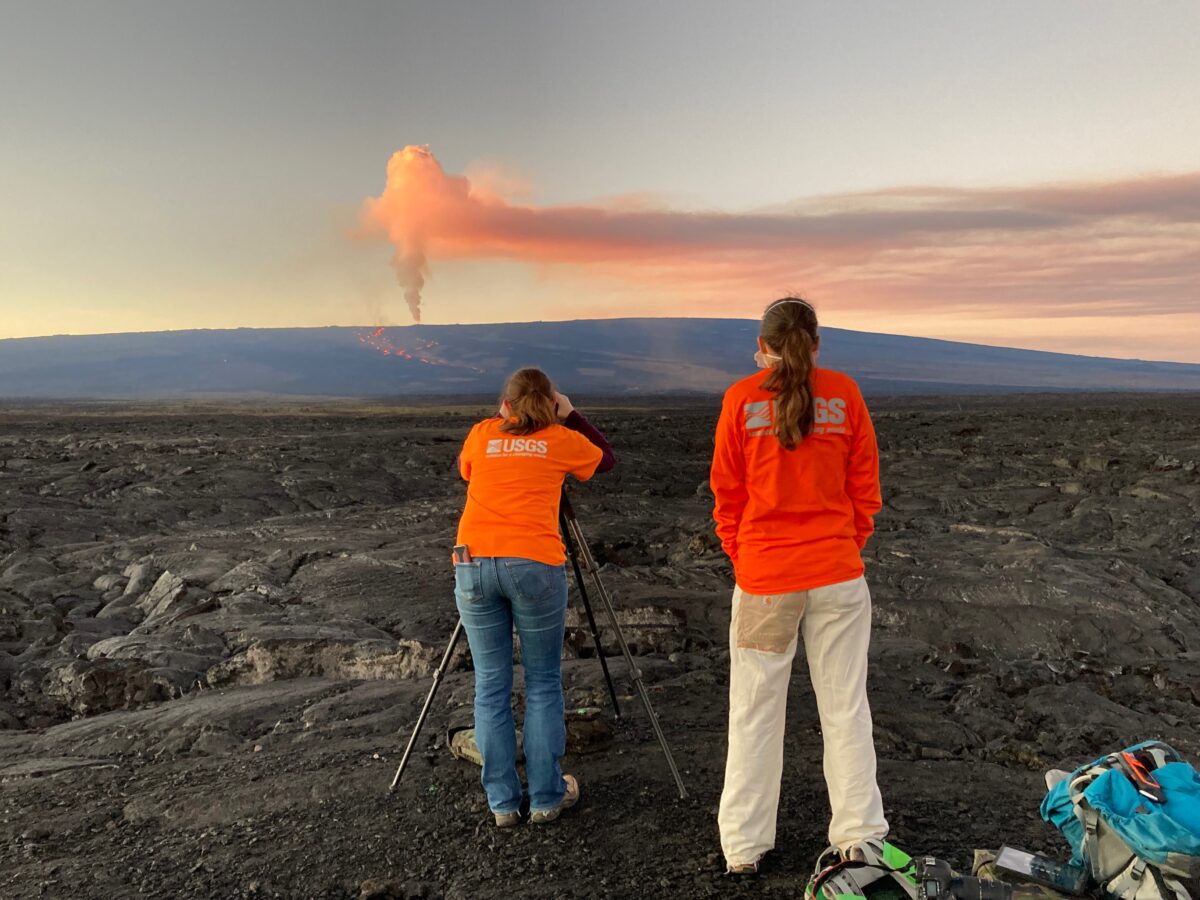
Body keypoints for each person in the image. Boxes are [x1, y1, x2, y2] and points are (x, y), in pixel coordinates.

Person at [710, 297, 887, 874]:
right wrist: (844, 544)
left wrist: (747, 559)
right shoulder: (846, 394)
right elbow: (865, 486)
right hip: (837, 576)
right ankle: (860, 837)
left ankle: (744, 846)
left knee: (755, 712)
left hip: (766, 581)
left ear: (763, 346)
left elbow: (727, 494)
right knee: (845, 707)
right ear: (815, 344)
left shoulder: (741, 400)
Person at [453, 367, 615, 827]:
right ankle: (545, 797)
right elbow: (605, 459)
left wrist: (503, 420)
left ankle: (503, 804)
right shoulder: (558, 438)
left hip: (472, 563)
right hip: (533, 563)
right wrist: (571, 415)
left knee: (490, 686)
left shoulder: (482, 433)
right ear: (550, 402)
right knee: (542, 682)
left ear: (506, 403)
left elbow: (467, 471)